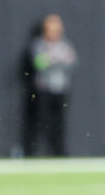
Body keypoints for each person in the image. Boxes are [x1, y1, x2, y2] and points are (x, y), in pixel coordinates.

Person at [28, 14, 77, 156]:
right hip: (44, 88)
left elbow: (72, 61)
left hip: (61, 88)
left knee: (59, 123)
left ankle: (59, 152)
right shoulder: (39, 44)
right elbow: (39, 64)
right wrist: (55, 59)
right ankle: (37, 152)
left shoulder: (64, 45)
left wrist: (52, 59)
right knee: (41, 122)